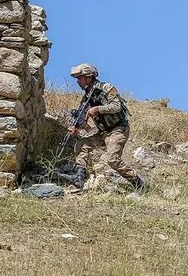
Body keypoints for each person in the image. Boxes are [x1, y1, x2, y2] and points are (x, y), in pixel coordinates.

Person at [60, 63, 145, 194]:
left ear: (89, 77)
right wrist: (77, 128)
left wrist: (98, 109)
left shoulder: (106, 88)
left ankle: (138, 182)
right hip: (103, 132)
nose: (78, 81)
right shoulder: (86, 98)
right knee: (81, 144)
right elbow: (83, 119)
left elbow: (117, 106)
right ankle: (79, 177)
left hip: (118, 129)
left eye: (80, 78)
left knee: (112, 159)